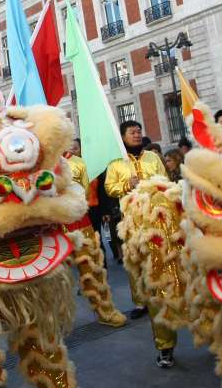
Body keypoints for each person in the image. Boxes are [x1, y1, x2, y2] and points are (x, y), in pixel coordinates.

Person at [105, 120, 174, 368]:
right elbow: (109, 188)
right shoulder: (116, 163)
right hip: (132, 226)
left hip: (159, 225)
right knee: (138, 272)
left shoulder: (153, 158)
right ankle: (140, 301)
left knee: (162, 282)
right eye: (132, 132)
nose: (137, 134)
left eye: (139, 131)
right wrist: (127, 185)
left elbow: (166, 183)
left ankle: (167, 339)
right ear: (122, 136)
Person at [63, 138, 126, 327]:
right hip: (51, 226)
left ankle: (104, 310)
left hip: (79, 221)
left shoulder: (79, 162)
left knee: (92, 267)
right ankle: (55, 322)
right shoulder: (39, 165)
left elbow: (86, 192)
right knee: (55, 279)